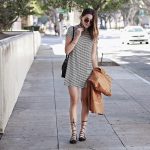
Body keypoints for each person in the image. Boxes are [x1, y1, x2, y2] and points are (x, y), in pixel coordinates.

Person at [64, 8, 99, 144]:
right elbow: (67, 51)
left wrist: (97, 72)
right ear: (82, 17)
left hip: (87, 71)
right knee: (74, 101)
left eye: (91, 21)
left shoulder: (94, 34)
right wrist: (77, 37)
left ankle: (82, 131)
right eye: (86, 19)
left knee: (85, 102)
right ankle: (73, 133)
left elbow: (93, 56)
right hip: (73, 70)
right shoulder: (72, 30)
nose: (88, 23)